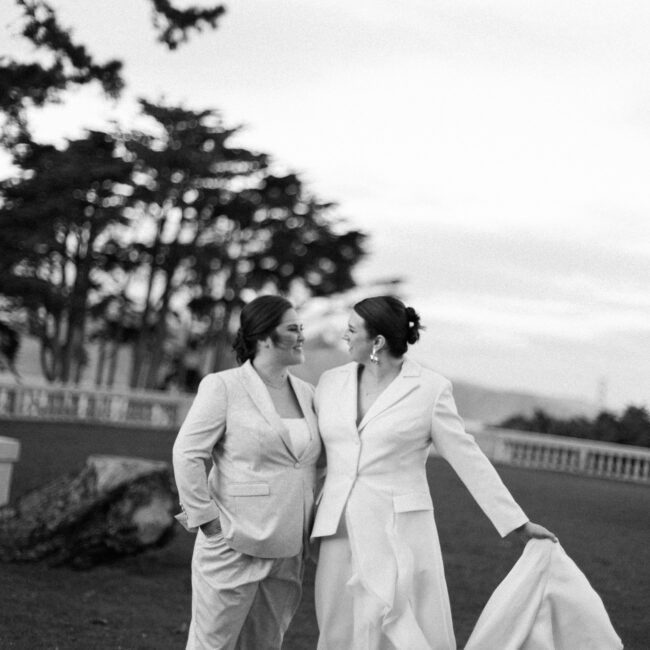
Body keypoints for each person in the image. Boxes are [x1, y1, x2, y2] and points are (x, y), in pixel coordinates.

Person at [311, 295, 557, 650]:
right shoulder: (331, 382)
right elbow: (315, 455)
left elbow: (467, 457)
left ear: (377, 341)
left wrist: (517, 523)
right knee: (336, 628)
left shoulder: (430, 389)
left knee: (398, 630)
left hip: (398, 532)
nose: (344, 337)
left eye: (351, 330)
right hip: (337, 529)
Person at [172, 295, 322, 650]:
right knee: (213, 644)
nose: (302, 335)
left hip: (289, 548)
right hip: (232, 540)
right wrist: (207, 521)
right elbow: (187, 453)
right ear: (265, 337)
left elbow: (320, 460)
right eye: (293, 328)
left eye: (301, 327)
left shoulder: (309, 394)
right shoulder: (223, 386)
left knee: (265, 644)